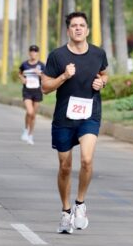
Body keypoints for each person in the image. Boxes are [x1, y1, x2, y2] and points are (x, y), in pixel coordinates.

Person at [41, 12, 108, 234]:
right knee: (65, 167)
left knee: (87, 160)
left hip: (89, 114)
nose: (78, 29)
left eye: (82, 25)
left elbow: (104, 74)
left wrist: (102, 82)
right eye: (74, 26)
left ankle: (80, 204)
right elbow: (45, 87)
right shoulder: (57, 56)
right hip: (64, 118)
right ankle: (65, 210)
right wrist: (63, 77)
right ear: (68, 30)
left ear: (87, 30)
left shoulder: (98, 53)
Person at [18, 45, 45, 145]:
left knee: (33, 114)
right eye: (32, 51)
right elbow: (20, 73)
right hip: (27, 91)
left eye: (35, 51)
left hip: (37, 91)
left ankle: (30, 135)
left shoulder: (41, 65)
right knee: (29, 111)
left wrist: (40, 74)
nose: (33, 53)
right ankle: (25, 129)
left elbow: (46, 77)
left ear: (38, 53)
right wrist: (22, 79)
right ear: (29, 53)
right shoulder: (24, 64)